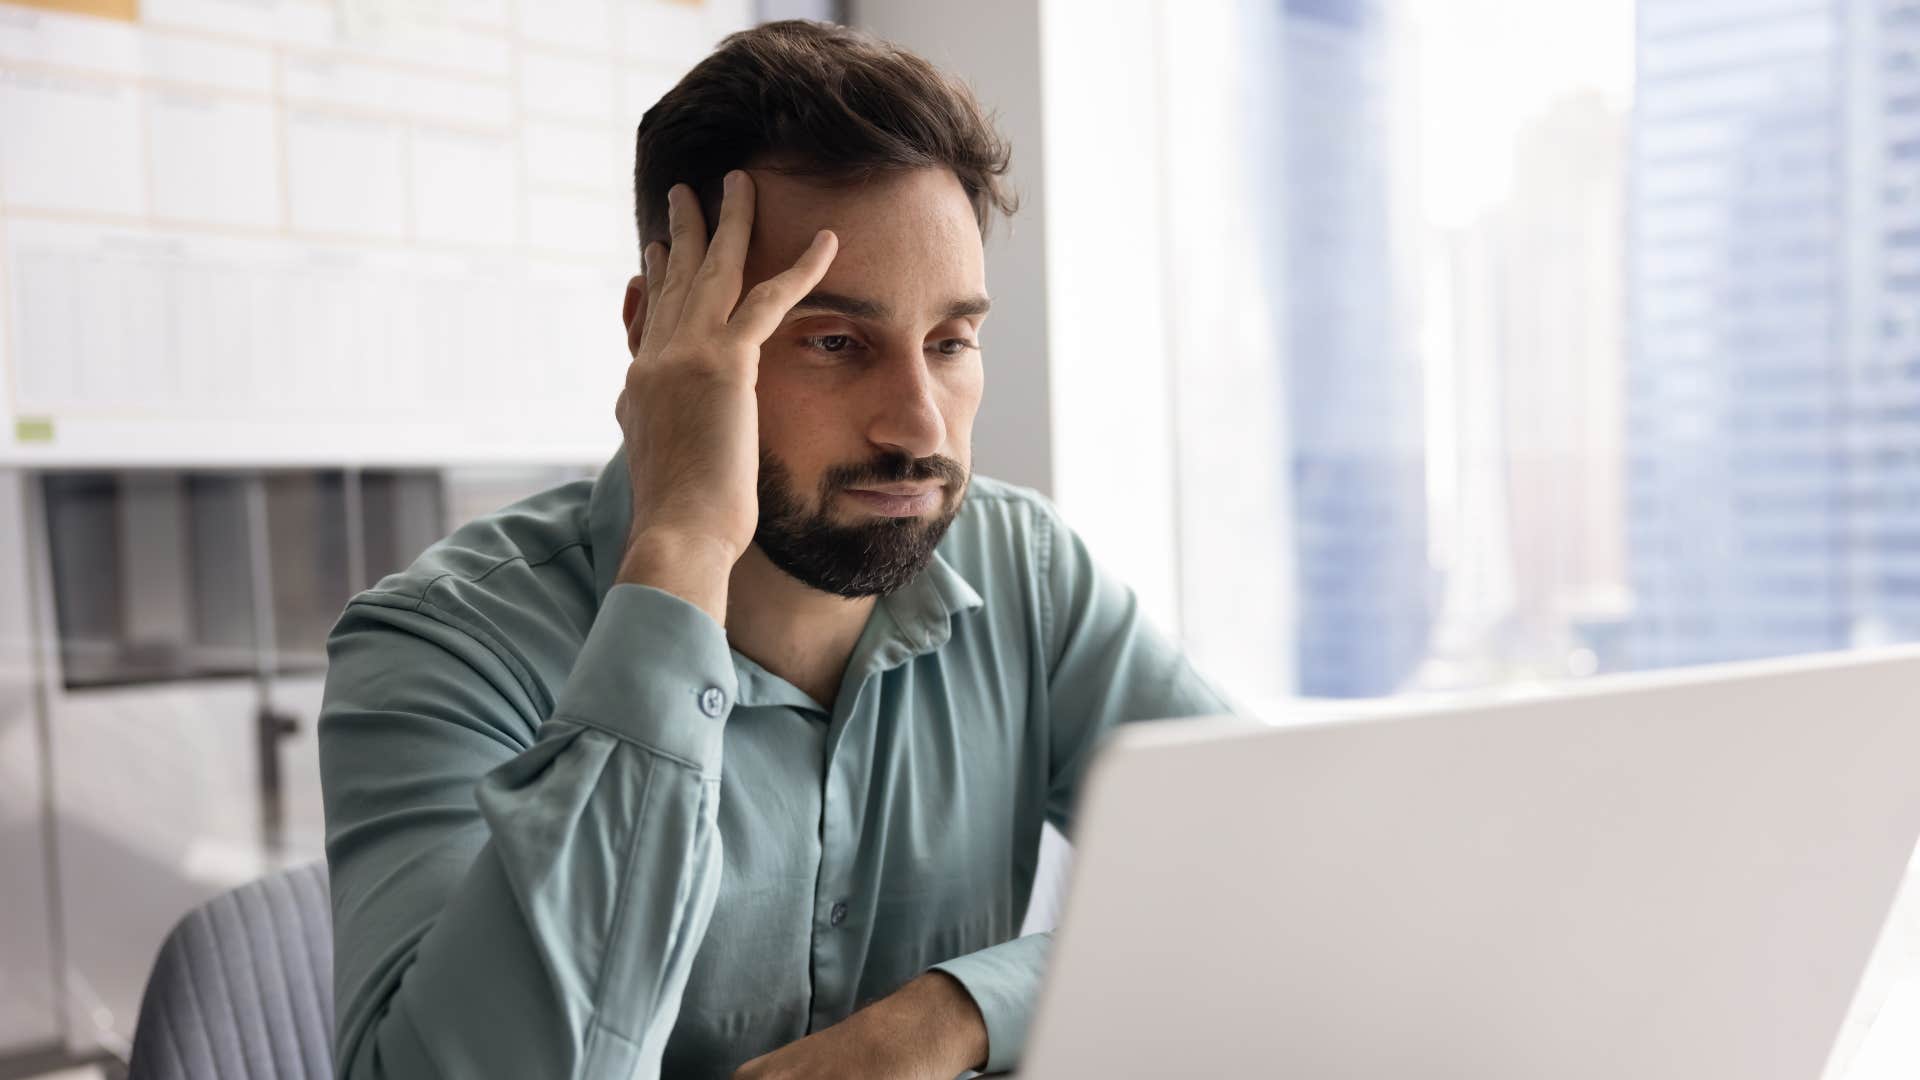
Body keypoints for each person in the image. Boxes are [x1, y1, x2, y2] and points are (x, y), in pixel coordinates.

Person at [319, 18, 1229, 1080]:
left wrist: (948, 1016)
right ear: (661, 334)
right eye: (834, 341)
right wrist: (681, 555)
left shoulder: (1024, 572)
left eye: (951, 343)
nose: (921, 428)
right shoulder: (443, 647)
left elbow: (1279, 871)